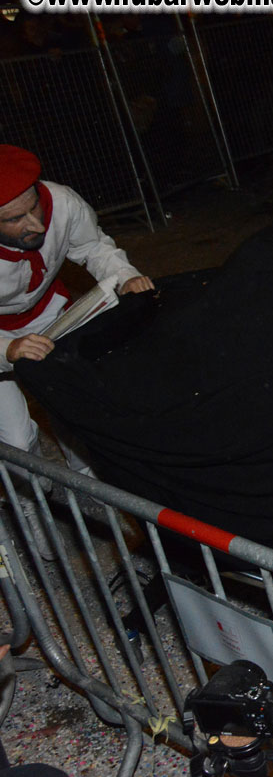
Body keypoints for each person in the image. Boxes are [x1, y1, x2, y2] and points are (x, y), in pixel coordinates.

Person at [0, 146, 154, 557]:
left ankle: (91, 487)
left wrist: (125, 277)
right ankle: (31, 508)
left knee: (77, 407)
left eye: (34, 207)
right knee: (16, 438)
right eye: (15, 219)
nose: (35, 223)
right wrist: (8, 349)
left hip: (52, 314)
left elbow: (93, 248)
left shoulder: (61, 201)